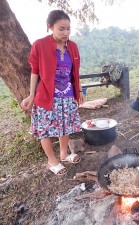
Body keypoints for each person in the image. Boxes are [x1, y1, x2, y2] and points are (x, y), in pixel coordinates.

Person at [21, 10, 84, 175]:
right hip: (48, 97)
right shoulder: (40, 45)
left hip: (68, 95)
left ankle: (63, 154)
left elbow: (75, 71)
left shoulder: (73, 47)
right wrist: (31, 95)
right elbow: (35, 71)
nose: (66, 33)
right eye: (61, 29)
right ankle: (52, 160)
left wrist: (78, 90)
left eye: (68, 29)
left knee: (66, 127)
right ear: (50, 27)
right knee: (46, 129)